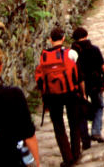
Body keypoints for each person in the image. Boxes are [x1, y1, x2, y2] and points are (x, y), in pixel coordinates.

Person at [36, 27, 83, 167]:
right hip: (70, 93)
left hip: (52, 96)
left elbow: (40, 79)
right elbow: (79, 76)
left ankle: (67, 157)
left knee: (58, 127)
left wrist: (44, 98)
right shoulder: (71, 53)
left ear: (50, 39)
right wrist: (82, 93)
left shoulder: (43, 57)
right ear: (63, 39)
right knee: (74, 122)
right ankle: (76, 152)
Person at [71, 27, 104, 144]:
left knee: (81, 110)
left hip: (79, 85)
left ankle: (85, 139)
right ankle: (96, 131)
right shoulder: (94, 49)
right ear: (86, 35)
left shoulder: (71, 53)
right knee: (99, 106)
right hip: (95, 83)